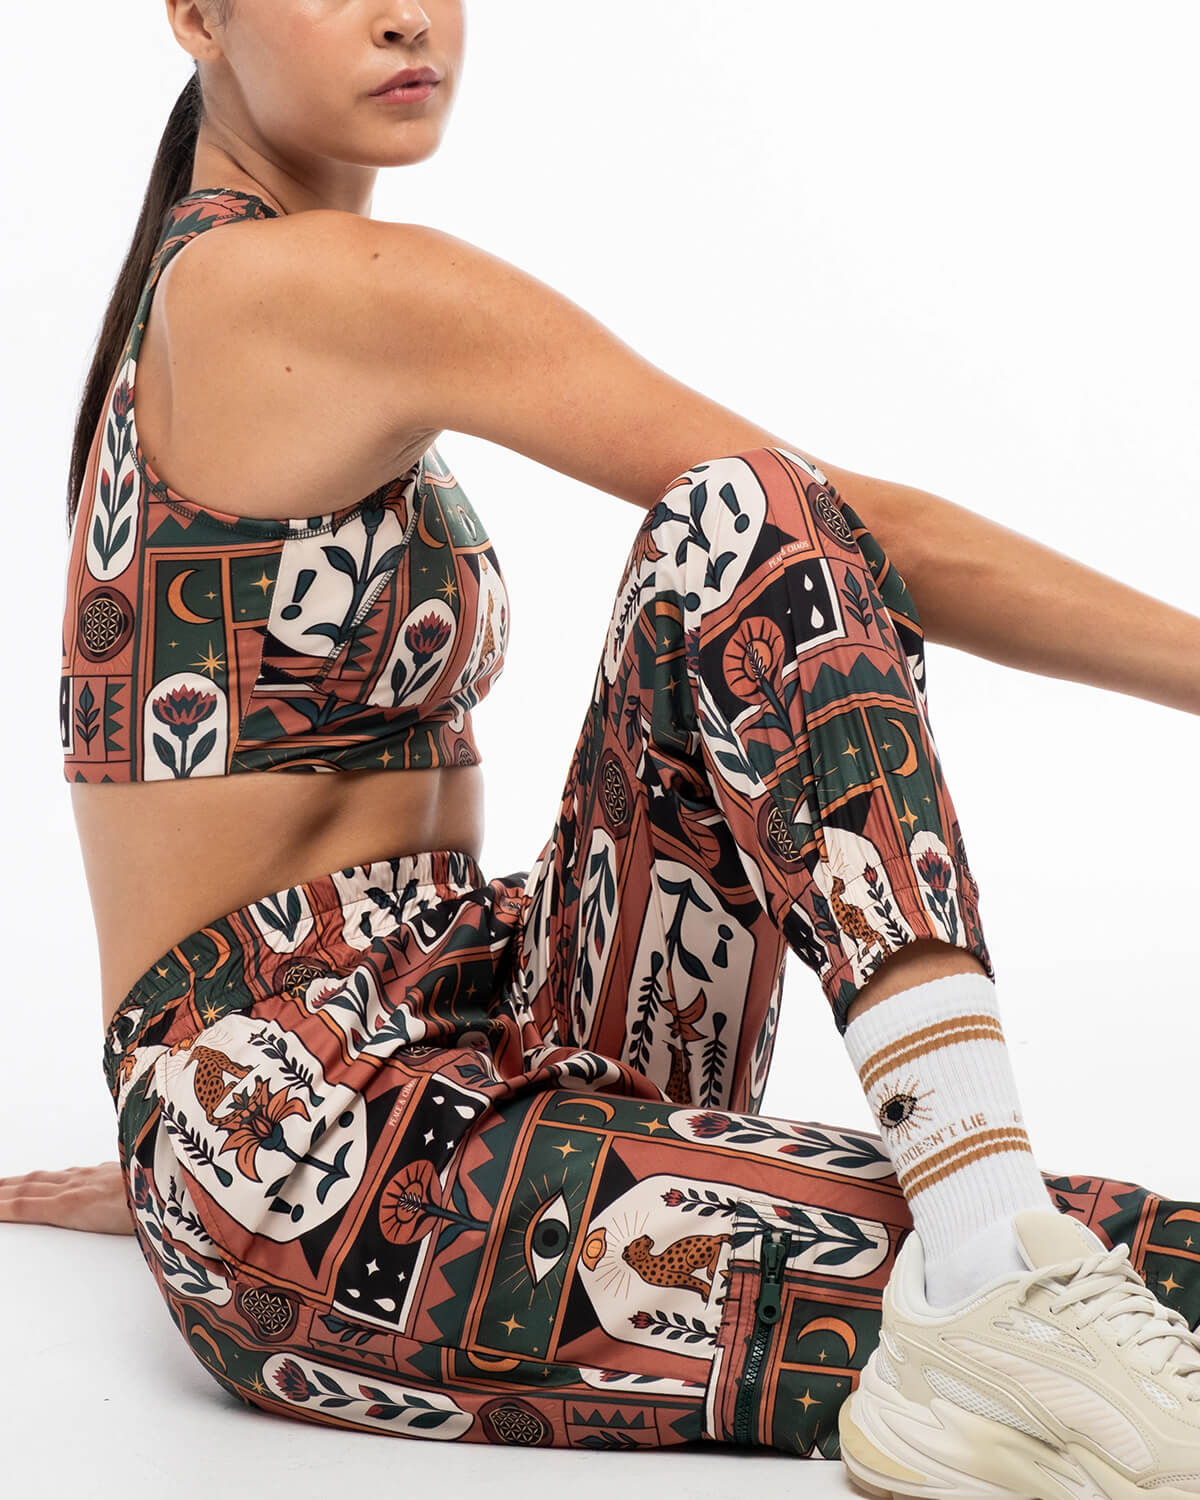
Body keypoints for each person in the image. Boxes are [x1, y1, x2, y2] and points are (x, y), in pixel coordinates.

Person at [9, 0, 1200, 1488]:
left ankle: (985, 1254)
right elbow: (862, 528)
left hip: (484, 1010)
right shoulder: (278, 283)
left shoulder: (219, 292)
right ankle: (989, 1263)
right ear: (198, 14)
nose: (406, 15)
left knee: (732, 531)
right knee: (1145, 1277)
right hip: (318, 1143)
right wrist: (222, 1150)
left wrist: (169, 1133)